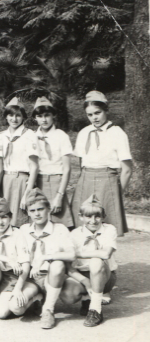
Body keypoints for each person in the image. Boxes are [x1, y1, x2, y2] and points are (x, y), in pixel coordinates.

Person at [71, 91, 133, 235]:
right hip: (85, 180)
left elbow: (127, 169)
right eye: (90, 115)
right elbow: (81, 163)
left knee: (105, 229)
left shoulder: (117, 133)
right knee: (82, 227)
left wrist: (117, 193)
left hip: (107, 182)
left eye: (97, 113)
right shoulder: (84, 133)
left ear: (106, 110)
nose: (94, 118)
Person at [16, 188, 76, 329]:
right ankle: (38, 298)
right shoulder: (24, 230)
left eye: (40, 209)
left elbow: (72, 255)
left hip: (51, 277)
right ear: (28, 213)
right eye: (32, 210)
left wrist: (45, 257)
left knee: (58, 265)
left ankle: (48, 309)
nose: (37, 214)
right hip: (31, 278)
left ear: (48, 209)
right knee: (16, 308)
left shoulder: (59, 229)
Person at [59, 196, 118, 327]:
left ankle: (95, 309)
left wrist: (77, 254)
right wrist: (86, 282)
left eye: (97, 216)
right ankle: (87, 299)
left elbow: (106, 253)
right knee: (67, 296)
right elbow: (68, 265)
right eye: (88, 216)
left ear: (103, 217)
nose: (93, 220)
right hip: (82, 275)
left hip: (105, 276)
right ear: (81, 217)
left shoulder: (109, 229)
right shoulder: (74, 234)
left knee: (96, 261)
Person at [32, 97, 74, 228]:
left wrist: (59, 196)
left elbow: (67, 169)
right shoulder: (31, 136)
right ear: (35, 118)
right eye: (39, 116)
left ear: (53, 115)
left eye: (47, 115)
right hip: (38, 183)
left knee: (59, 225)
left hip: (56, 183)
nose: (44, 120)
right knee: (39, 224)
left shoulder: (62, 136)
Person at [0, 97, 39, 226]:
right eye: (11, 115)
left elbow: (34, 166)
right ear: (6, 116)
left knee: (19, 220)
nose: (14, 119)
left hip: (21, 180)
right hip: (5, 180)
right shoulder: (1, 136)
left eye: (18, 115)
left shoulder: (29, 135)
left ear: (23, 117)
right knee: (4, 218)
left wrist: (27, 192)